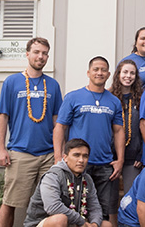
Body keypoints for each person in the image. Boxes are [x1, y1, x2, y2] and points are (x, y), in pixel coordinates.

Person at [0, 37, 64, 227]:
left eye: (44, 53)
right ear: (27, 54)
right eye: (36, 52)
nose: (40, 56)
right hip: (20, 153)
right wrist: (1, 149)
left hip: (48, 155)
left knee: (51, 204)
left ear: (47, 57)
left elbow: (57, 121)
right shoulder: (12, 82)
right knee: (10, 202)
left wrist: (59, 153)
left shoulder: (53, 85)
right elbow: (3, 117)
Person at [53, 57, 125, 223]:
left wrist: (120, 160)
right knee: (76, 211)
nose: (99, 73)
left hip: (105, 164)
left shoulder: (114, 101)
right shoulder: (73, 97)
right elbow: (60, 127)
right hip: (78, 164)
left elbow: (119, 131)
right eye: (96, 69)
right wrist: (58, 157)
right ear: (88, 72)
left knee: (104, 213)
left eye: (103, 70)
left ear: (108, 74)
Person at [24, 138, 109, 227]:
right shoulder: (52, 176)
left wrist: (94, 224)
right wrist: (81, 222)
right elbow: (53, 207)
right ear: (65, 158)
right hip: (42, 223)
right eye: (76, 155)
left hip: (74, 223)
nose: (81, 160)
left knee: (106, 225)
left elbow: (95, 207)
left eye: (85, 156)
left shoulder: (87, 178)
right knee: (59, 220)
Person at [108, 59, 145, 226]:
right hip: (111, 158)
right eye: (125, 72)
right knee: (110, 200)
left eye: (132, 73)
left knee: (131, 199)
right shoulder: (108, 96)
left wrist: (142, 153)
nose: (128, 76)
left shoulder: (141, 98)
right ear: (118, 74)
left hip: (133, 158)